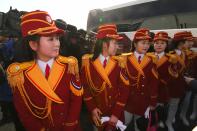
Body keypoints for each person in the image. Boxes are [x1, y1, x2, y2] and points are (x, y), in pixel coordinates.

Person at [6, 10, 83, 131]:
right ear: (33, 45)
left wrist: (70, 125)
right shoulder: (19, 75)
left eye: (57, 38)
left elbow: (76, 99)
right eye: (50, 39)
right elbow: (24, 112)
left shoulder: (69, 66)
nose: (57, 43)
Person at [81, 24, 130, 131]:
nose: (117, 46)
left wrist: (116, 114)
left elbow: (125, 90)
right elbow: (86, 89)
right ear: (104, 43)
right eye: (114, 43)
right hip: (97, 113)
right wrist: (92, 108)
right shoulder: (87, 63)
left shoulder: (119, 63)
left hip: (115, 112)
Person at [124, 28, 158, 131]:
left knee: (140, 126)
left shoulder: (151, 60)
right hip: (127, 102)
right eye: (143, 43)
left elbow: (154, 83)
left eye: (148, 43)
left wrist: (152, 103)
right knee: (122, 125)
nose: (146, 46)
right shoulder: (125, 60)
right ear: (135, 44)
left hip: (143, 102)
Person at [153, 31, 179, 128]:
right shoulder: (148, 57)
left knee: (160, 107)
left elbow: (174, 75)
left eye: (162, 43)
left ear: (166, 45)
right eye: (156, 43)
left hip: (162, 88)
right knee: (150, 108)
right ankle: (152, 123)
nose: (159, 45)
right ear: (153, 44)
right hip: (149, 89)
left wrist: (163, 82)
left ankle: (160, 120)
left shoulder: (170, 58)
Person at [166, 31, 190, 131]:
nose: (189, 43)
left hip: (180, 84)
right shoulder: (170, 55)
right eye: (186, 41)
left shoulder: (185, 54)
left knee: (175, 104)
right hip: (170, 84)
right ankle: (167, 121)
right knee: (168, 104)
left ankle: (170, 119)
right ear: (181, 43)